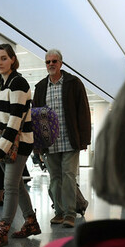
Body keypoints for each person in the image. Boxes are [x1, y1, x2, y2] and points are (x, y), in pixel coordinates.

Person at [0, 44, 39, 247]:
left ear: (13, 60)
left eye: (3, 58)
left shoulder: (18, 82)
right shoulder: (3, 83)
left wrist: (1, 146)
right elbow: (5, 115)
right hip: (5, 141)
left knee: (9, 186)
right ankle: (31, 222)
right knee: (15, 184)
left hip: (18, 142)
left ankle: (2, 230)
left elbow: (16, 118)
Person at [32, 49, 91, 228]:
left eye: (54, 61)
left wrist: (84, 140)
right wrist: (37, 145)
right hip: (50, 143)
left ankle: (70, 213)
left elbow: (83, 112)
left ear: (61, 63)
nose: (51, 64)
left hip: (70, 140)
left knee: (69, 176)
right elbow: (35, 116)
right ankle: (58, 212)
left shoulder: (73, 83)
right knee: (55, 178)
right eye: (48, 62)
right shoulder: (41, 87)